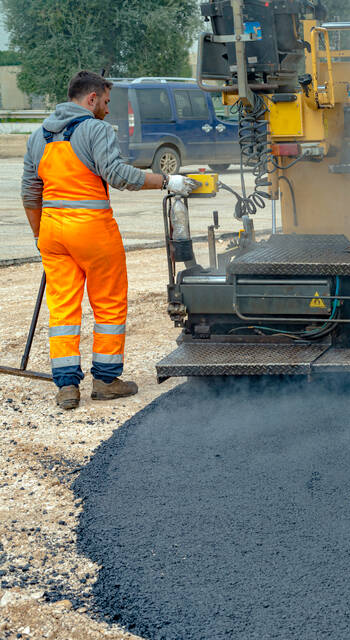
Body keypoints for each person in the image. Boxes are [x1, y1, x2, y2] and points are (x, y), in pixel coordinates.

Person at [22, 70, 197, 410]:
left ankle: (67, 387)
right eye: (105, 101)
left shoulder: (38, 136)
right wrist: (166, 181)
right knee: (108, 304)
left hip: (52, 234)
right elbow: (117, 175)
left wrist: (39, 235)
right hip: (92, 232)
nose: (106, 108)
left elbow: (31, 192)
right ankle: (105, 380)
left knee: (62, 309)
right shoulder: (95, 129)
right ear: (90, 99)